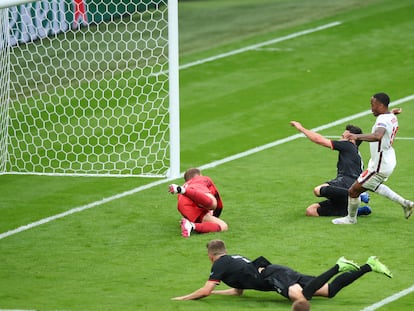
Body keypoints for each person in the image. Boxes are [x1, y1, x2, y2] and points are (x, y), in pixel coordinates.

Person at [171, 239, 392, 303]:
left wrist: (184, 297)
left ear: (211, 256)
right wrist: (217, 294)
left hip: (274, 276)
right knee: (329, 291)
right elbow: (238, 291)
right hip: (278, 271)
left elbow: (206, 290)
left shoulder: (219, 264)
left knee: (302, 300)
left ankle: (338, 265)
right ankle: (369, 265)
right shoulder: (233, 259)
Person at [333, 92, 414, 224]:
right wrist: (392, 113)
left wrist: (356, 136)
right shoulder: (390, 116)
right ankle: (405, 204)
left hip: (379, 165)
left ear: (382, 105)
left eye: (373, 105)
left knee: (353, 191)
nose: (371, 108)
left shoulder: (383, 119)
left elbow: (377, 136)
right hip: (386, 159)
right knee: (374, 185)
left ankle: (351, 219)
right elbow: (388, 121)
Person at [290, 121, 371, 217]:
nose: (340, 139)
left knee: (318, 190)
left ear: (351, 139)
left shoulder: (348, 146)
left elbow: (319, 140)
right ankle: (354, 211)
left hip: (347, 182)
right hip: (345, 184)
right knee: (311, 211)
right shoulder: (354, 152)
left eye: (342, 136)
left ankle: (357, 195)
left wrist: (301, 128)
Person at [168, 168, 228, 237]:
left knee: (207, 217)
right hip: (194, 193)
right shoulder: (201, 179)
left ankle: (190, 225)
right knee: (214, 206)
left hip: (183, 206)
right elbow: (217, 201)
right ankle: (184, 191)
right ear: (200, 175)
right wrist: (216, 214)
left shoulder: (186, 184)